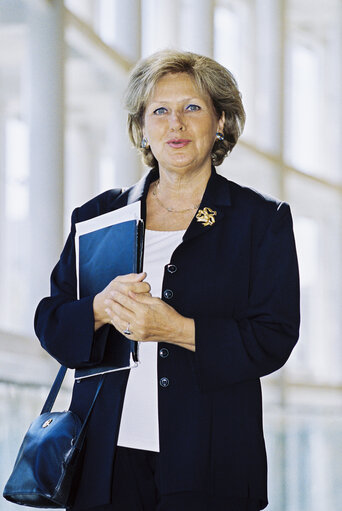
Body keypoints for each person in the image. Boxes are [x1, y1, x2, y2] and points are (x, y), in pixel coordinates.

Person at [34, 49, 300, 511]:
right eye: (159, 110)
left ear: (220, 122)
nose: (175, 124)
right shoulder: (99, 216)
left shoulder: (261, 220)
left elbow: (275, 336)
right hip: (103, 461)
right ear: (142, 127)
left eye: (192, 108)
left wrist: (175, 329)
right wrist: (98, 309)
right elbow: (51, 321)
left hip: (211, 464)